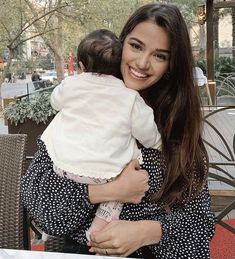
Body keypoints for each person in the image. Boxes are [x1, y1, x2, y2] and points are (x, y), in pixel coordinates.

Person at [21, 3, 215, 258]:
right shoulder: (83, 104)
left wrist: (146, 232)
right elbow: (38, 200)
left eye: (160, 55)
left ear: (171, 65)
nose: (143, 63)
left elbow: (200, 223)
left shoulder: (175, 123)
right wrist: (110, 191)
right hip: (86, 251)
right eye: (136, 46)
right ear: (120, 44)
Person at [29, 29, 161, 240]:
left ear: (81, 66)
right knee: (126, 178)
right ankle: (99, 229)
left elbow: (55, 101)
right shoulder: (130, 98)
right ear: (119, 63)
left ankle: (51, 231)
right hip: (107, 174)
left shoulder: (71, 85)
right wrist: (158, 143)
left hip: (64, 167)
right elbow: (147, 132)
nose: (143, 63)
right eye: (136, 47)